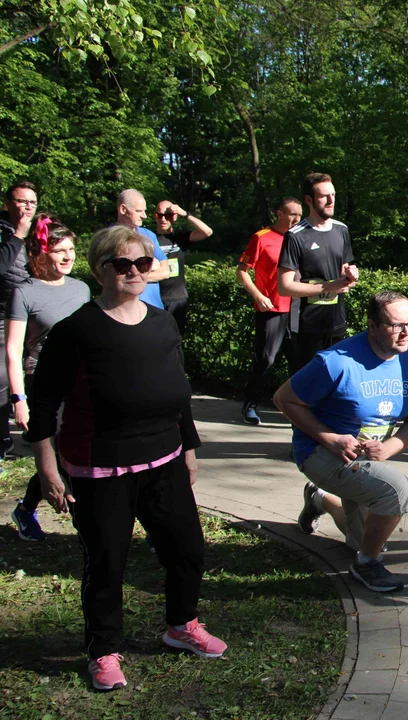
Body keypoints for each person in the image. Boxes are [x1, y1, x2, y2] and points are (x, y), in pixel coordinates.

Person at [25, 225, 226, 691]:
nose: (134, 272)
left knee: (188, 551)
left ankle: (181, 625)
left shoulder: (162, 321)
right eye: (122, 264)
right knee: (107, 563)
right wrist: (47, 465)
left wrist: (189, 448)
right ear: (100, 269)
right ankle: (104, 650)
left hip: (165, 458)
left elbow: (179, 391)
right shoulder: (76, 331)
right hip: (101, 467)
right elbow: (44, 403)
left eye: (142, 263)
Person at [277, 290, 408, 592]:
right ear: (372, 326)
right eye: (396, 325)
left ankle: (320, 499)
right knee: (395, 492)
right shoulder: (335, 361)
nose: (406, 333)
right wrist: (330, 439)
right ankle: (366, 566)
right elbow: (284, 399)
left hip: (367, 459)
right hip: (321, 452)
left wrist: (389, 447)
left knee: (364, 538)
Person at [7, 214, 91, 542]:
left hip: (81, 382)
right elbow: (14, 351)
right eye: (60, 250)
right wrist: (19, 399)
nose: (69, 256)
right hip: (42, 383)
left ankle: (26, 508)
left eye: (72, 249)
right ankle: (81, 520)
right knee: (59, 452)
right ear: (42, 253)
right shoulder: (24, 292)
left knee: (71, 451)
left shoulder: (82, 288)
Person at [278, 172, 359, 368]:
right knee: (307, 388)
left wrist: (351, 275)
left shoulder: (341, 230)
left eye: (333, 194)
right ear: (309, 200)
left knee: (335, 383)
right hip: (307, 326)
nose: (331, 200)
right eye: (324, 196)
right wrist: (328, 287)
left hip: (336, 321)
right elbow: (284, 287)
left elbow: (344, 268)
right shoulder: (296, 236)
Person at [236, 197, 304, 425]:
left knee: (299, 362)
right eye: (292, 214)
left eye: (300, 215)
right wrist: (258, 295)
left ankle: (297, 407)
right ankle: (250, 405)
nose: (297, 219)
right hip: (272, 308)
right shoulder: (261, 237)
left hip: (298, 309)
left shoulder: (301, 237)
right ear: (279, 214)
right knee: (266, 359)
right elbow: (242, 271)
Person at [0, 181, 37, 459]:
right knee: (3, 375)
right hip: (2, 314)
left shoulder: (37, 231)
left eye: (32, 203)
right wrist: (18, 236)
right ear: (7, 203)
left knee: (30, 368)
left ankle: (31, 426)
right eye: (22, 201)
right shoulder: (4, 232)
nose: (27, 207)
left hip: (29, 311)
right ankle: (3, 441)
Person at [153, 199, 214, 333]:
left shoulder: (180, 236)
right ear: (155, 216)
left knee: (176, 338)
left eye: (167, 215)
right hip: (155, 297)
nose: (163, 219)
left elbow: (208, 232)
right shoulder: (149, 238)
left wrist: (184, 213)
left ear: (174, 217)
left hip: (177, 298)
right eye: (159, 215)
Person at [115, 189, 170, 310]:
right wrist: (150, 266)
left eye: (144, 211)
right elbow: (112, 278)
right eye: (139, 211)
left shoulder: (149, 235)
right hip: (124, 311)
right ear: (123, 209)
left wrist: (133, 275)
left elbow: (166, 272)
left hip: (155, 310)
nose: (144, 216)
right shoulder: (109, 238)